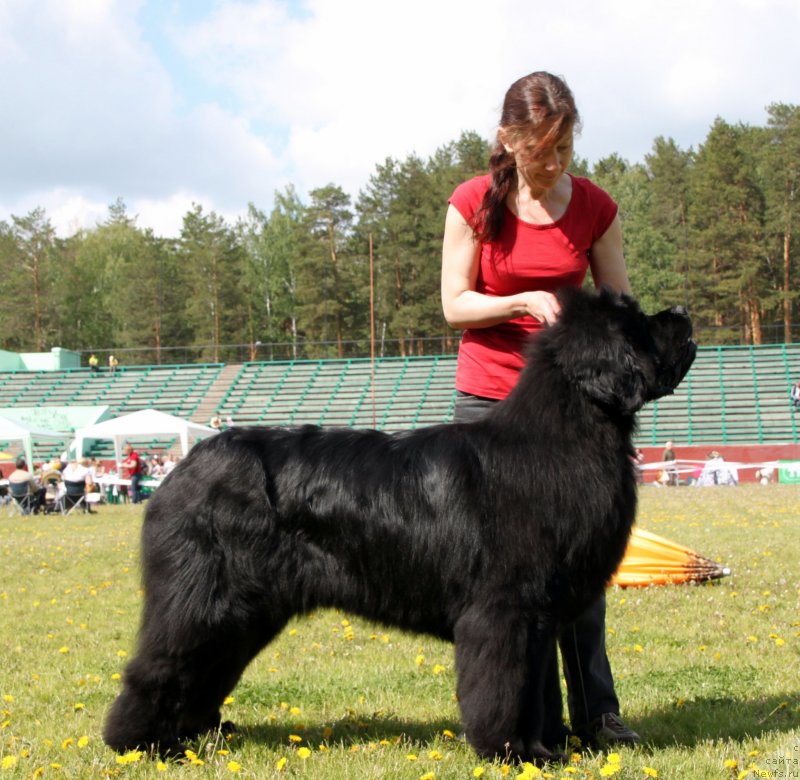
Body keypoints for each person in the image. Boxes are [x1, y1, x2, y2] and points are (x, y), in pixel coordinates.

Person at [441, 71, 639, 747]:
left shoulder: (594, 207)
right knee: (500, 579)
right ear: (508, 139)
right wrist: (520, 302)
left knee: (579, 568)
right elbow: (453, 304)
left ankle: (598, 716)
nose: (551, 163)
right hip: (487, 406)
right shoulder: (472, 201)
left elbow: (619, 306)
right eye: (538, 149)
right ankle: (514, 719)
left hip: (567, 417)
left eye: (562, 148)